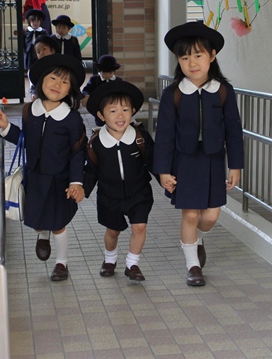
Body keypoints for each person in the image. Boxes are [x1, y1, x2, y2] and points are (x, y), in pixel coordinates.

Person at [153, 21, 243, 287]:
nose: (191, 63)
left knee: (210, 217)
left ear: (212, 56)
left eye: (198, 55)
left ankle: (198, 238)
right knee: (190, 215)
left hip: (214, 160)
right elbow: (164, 135)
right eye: (184, 57)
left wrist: (235, 165)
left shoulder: (223, 91)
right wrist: (163, 171)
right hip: (184, 161)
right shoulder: (173, 94)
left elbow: (234, 130)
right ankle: (193, 266)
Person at [0, 54, 87, 281]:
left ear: (71, 89)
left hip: (59, 180)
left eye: (64, 82)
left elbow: (78, 152)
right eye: (53, 78)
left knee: (58, 224)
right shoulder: (29, 111)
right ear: (42, 80)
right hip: (34, 176)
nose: (57, 85)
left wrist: (76, 182)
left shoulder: (72, 119)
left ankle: (61, 263)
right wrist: (6, 127)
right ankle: (42, 235)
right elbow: (25, 140)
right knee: (37, 220)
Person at [83, 80, 155, 282]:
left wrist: (167, 180)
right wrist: (82, 189)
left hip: (139, 192)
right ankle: (110, 259)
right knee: (113, 231)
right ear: (101, 115)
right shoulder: (96, 143)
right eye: (113, 111)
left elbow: (153, 162)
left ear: (133, 111)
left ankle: (132, 264)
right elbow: (91, 171)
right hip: (109, 195)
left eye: (125, 110)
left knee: (139, 227)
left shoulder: (140, 137)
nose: (120, 116)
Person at [81, 54, 123, 126]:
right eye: (104, 72)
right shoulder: (95, 80)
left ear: (114, 72)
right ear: (100, 71)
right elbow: (86, 89)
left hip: (114, 107)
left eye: (109, 73)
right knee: (101, 123)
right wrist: (87, 95)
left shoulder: (118, 81)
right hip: (99, 108)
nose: (107, 75)